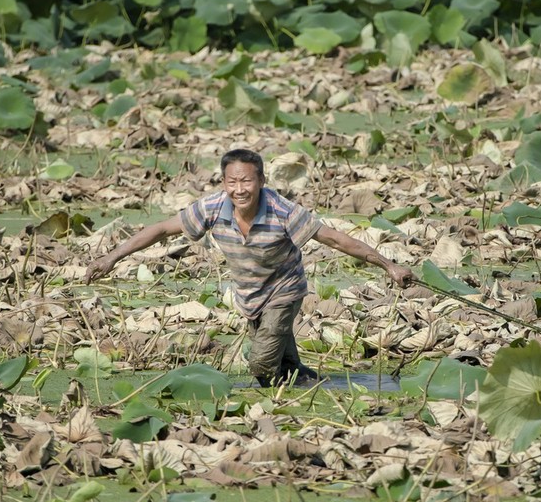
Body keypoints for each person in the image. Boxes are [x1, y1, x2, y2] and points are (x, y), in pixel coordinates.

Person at [84, 148, 414, 387]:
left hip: (284, 290)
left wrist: (388, 265)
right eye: (232, 182)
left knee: (261, 365)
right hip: (249, 295)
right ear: (224, 182)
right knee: (287, 367)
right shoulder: (212, 207)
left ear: (261, 181)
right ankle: (320, 384)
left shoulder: (283, 211)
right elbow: (159, 230)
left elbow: (336, 240)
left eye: (247, 182)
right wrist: (111, 257)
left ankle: (281, 401)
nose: (239, 189)